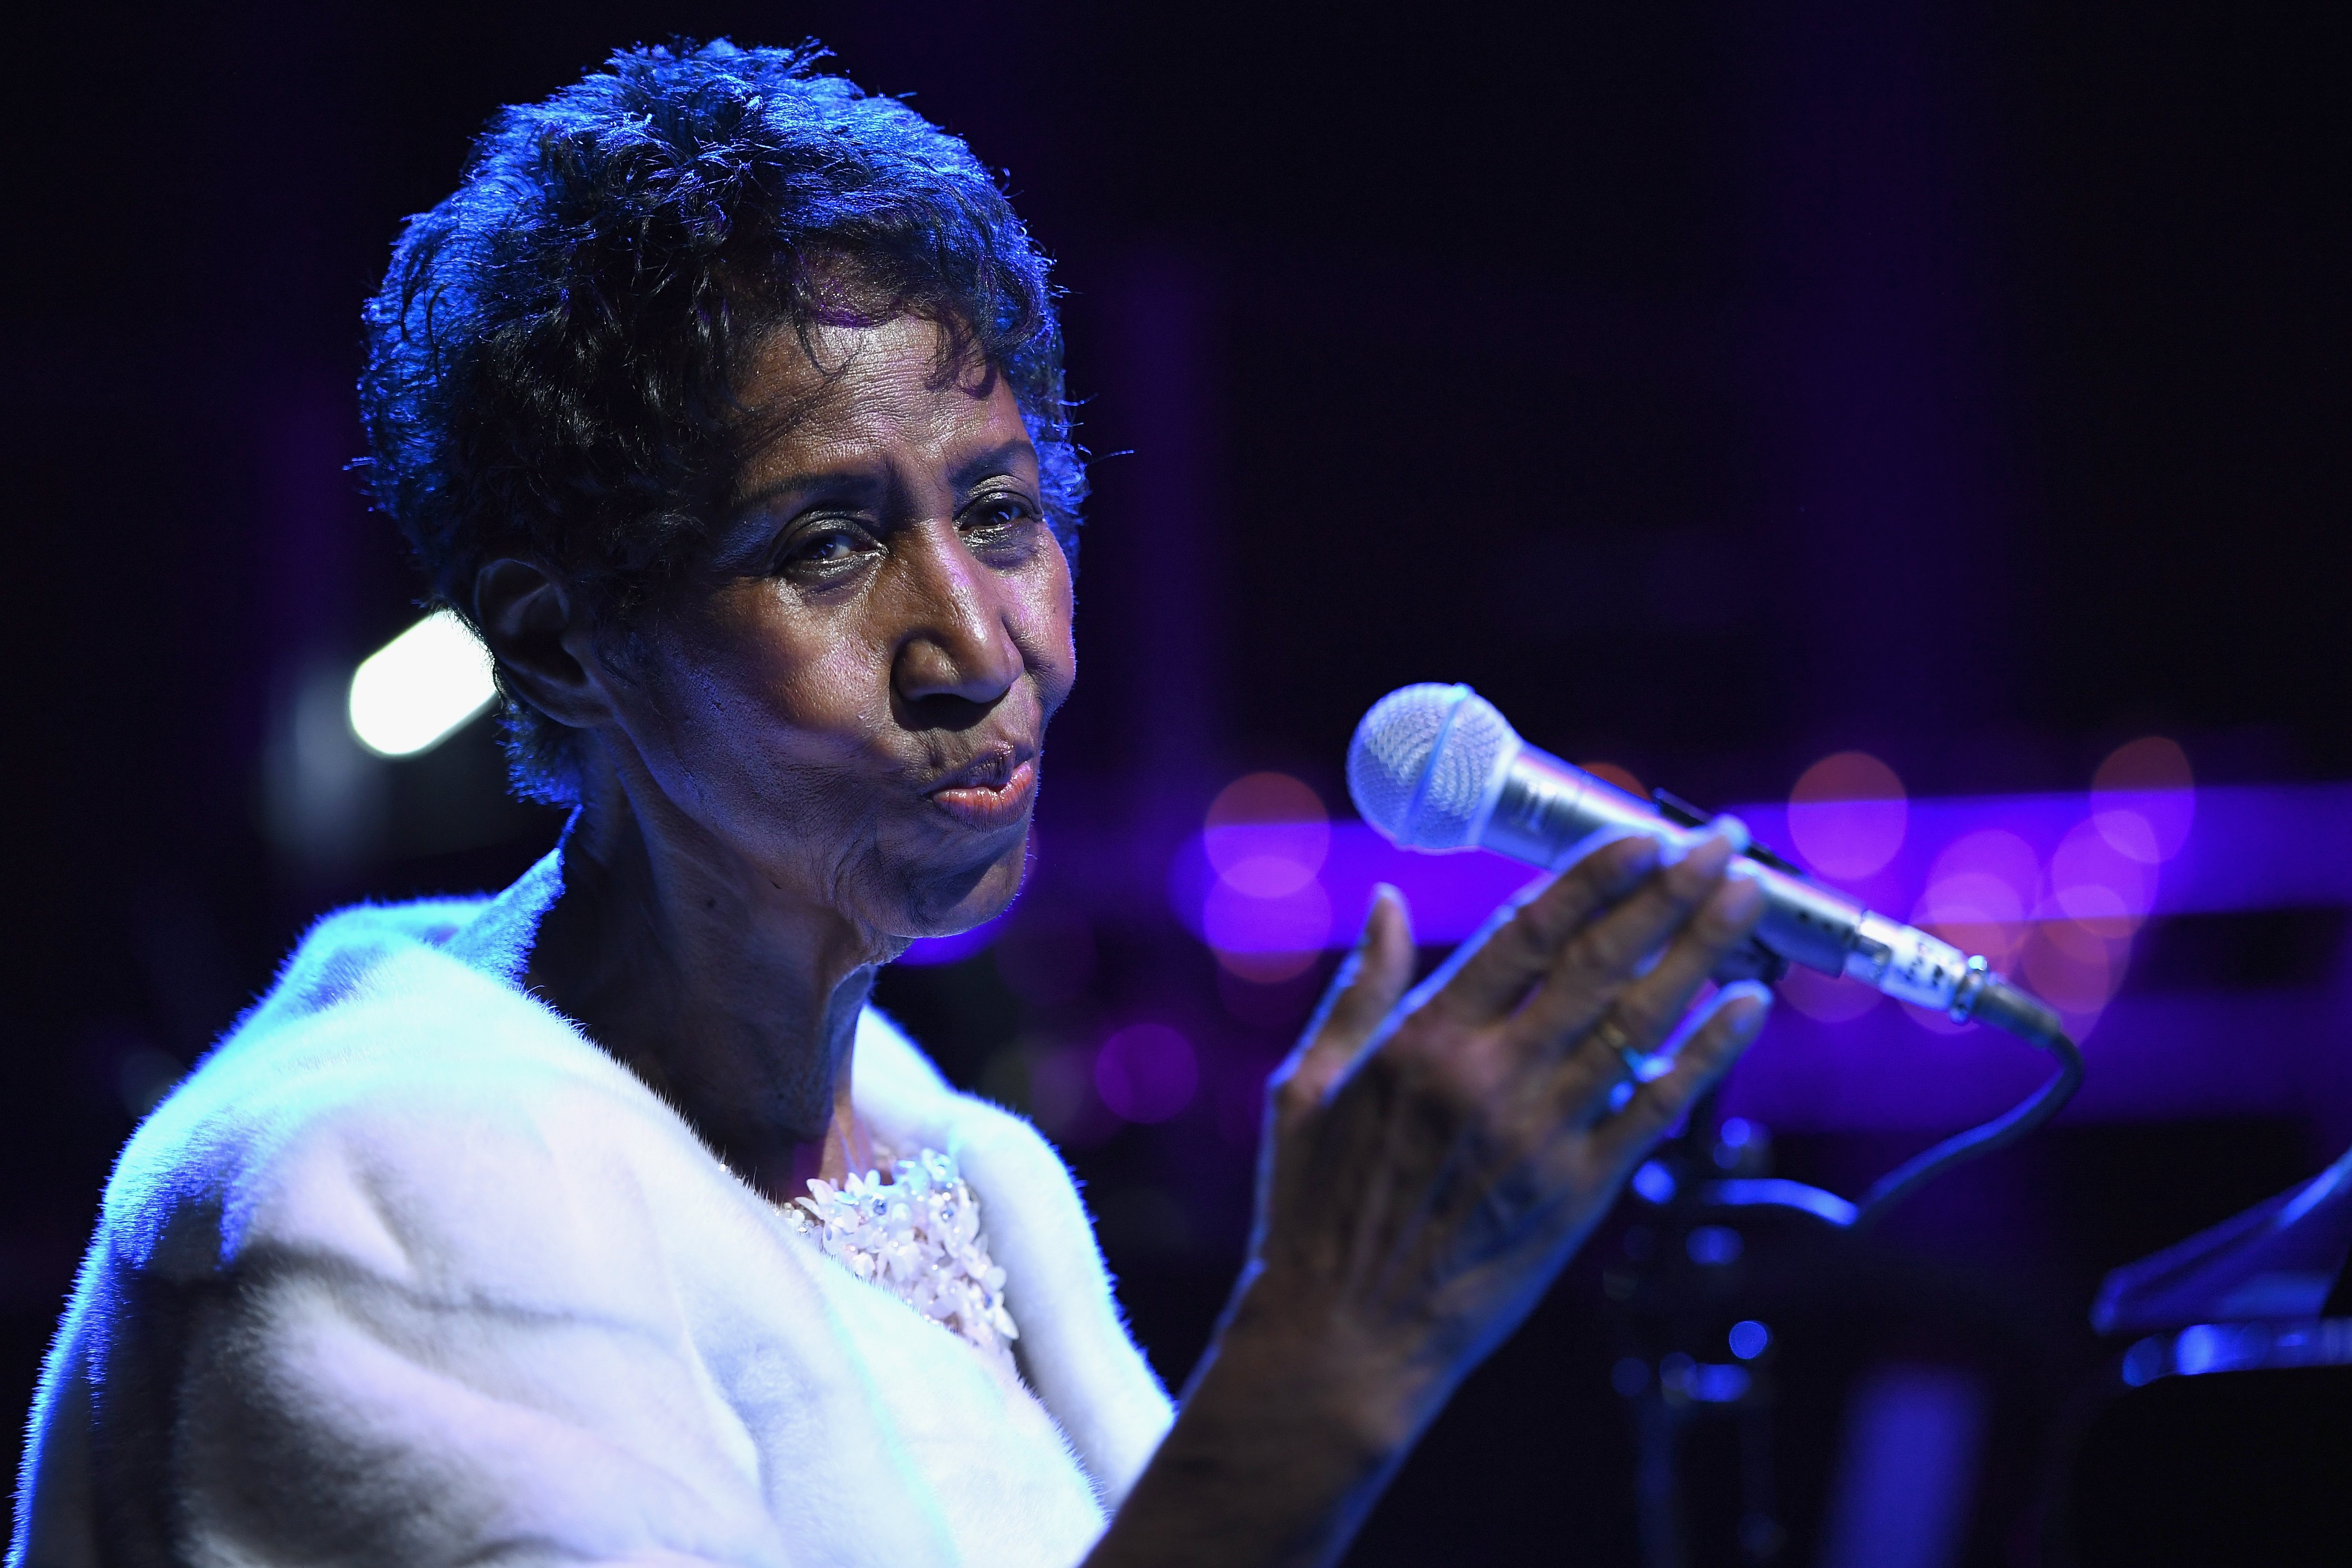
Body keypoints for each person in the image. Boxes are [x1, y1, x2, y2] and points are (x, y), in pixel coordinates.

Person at [8, 41, 1773, 1568]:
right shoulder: (382, 1194)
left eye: (1001, 510)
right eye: (830, 543)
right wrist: (1323, 1364)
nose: (975, 642)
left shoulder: (961, 1171)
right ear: (559, 647)